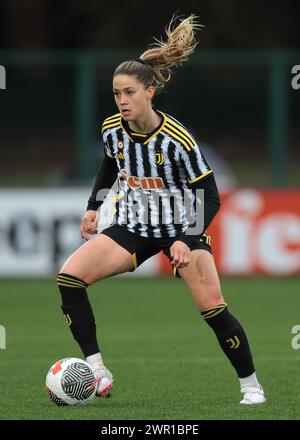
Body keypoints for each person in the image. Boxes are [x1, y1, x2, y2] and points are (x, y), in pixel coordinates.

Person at [57, 15, 266, 404]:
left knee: (211, 307)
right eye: (116, 93)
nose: (122, 101)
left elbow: (211, 194)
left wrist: (188, 239)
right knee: (69, 278)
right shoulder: (111, 129)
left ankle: (251, 385)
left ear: (150, 92)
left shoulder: (176, 140)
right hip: (133, 226)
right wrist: (94, 206)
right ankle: (97, 370)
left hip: (180, 227)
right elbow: (109, 164)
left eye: (129, 93)